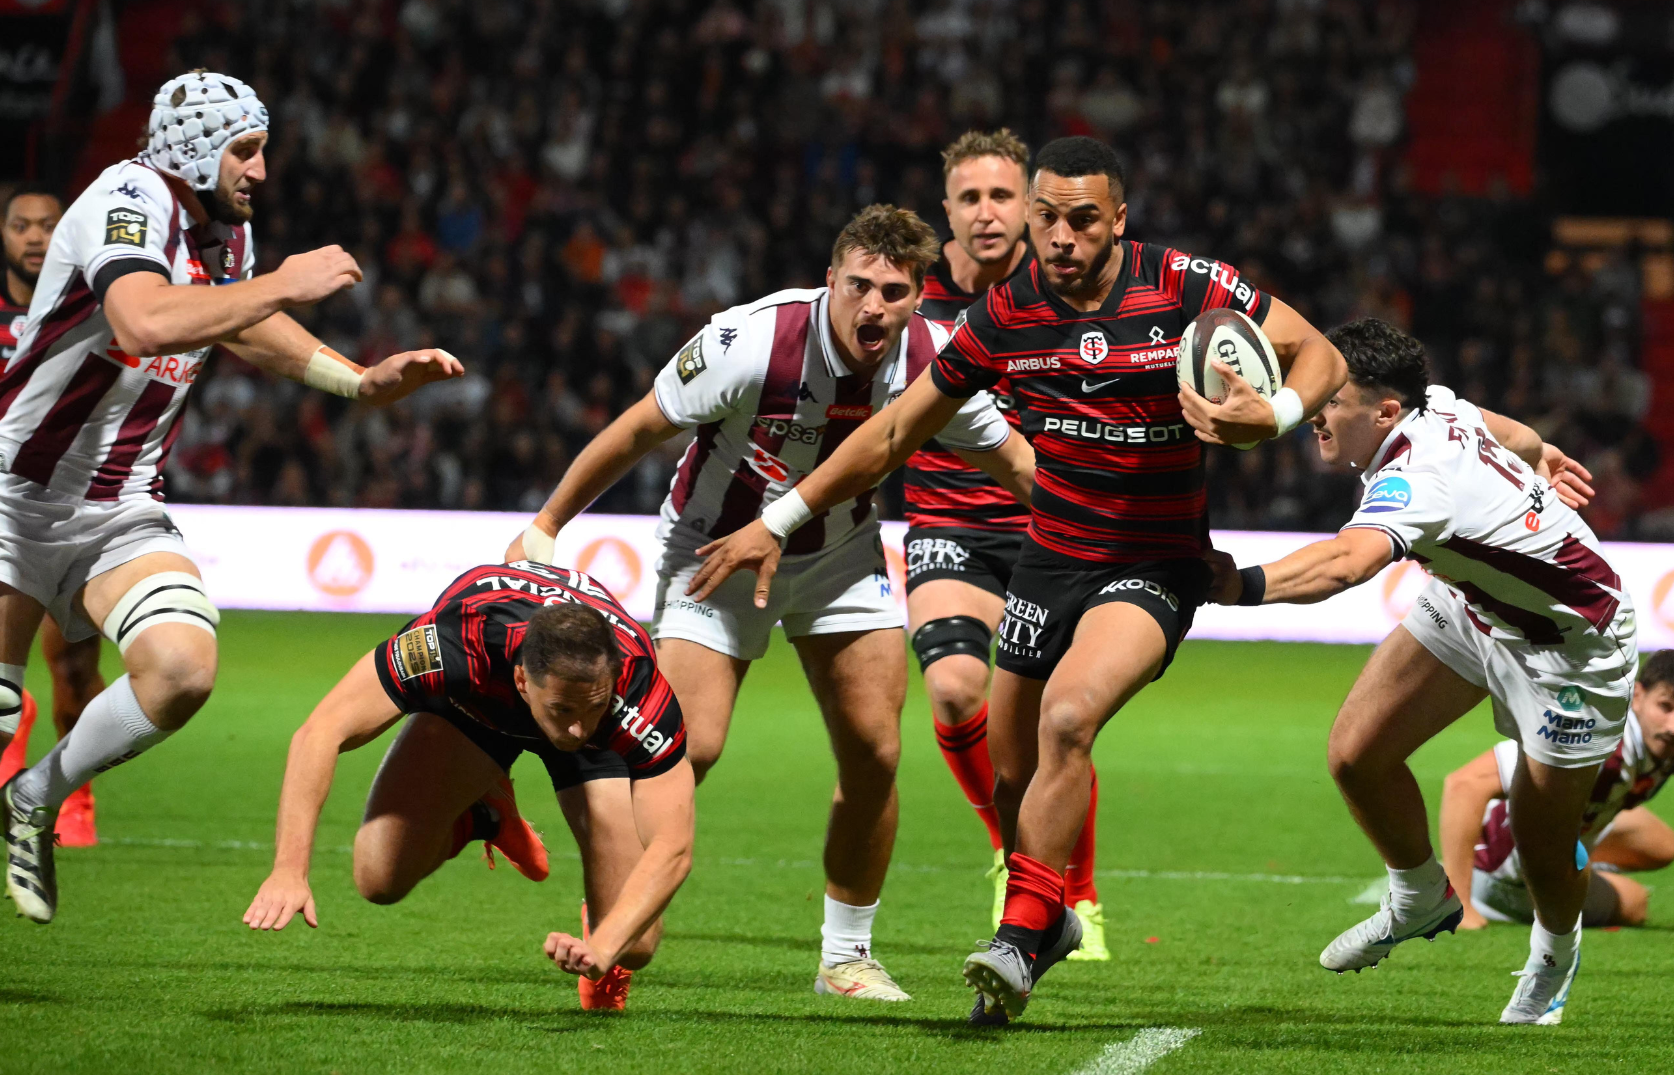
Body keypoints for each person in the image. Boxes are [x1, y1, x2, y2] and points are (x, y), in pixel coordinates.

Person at [687, 136, 1346, 1023]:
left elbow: (1320, 354)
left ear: (1118, 219)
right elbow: (890, 436)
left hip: (1155, 559)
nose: (1061, 236)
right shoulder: (1004, 315)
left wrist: (1276, 413)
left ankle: (1024, 928)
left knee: (1070, 719)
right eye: (1048, 219)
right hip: (1051, 554)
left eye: (1082, 219)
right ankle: (1050, 919)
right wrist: (776, 520)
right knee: (1009, 767)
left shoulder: (1185, 284)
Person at [506, 205, 1029, 1001]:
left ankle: (845, 958)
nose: (873, 307)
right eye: (858, 285)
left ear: (920, 296)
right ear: (830, 281)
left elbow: (1013, 461)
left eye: (893, 291)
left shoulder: (935, 358)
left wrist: (1100, 529)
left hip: (839, 558)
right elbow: (640, 429)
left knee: (876, 752)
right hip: (714, 553)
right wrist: (545, 524)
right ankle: (616, 911)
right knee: (691, 748)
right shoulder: (751, 341)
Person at [0, 70, 462, 924]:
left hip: (118, 504)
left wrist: (358, 382)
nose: (259, 170)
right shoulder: (127, 198)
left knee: (182, 670)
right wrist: (287, 280)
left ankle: (35, 796)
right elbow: (144, 320)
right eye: (243, 151)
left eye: (260, 150)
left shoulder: (221, 233)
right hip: (10, 492)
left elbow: (242, 323)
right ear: (192, 149)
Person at [1212, 318, 1616, 1026]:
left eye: (1330, 401)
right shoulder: (1440, 405)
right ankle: (1420, 896)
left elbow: (1346, 564)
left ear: (1386, 411)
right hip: (1472, 605)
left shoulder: (1418, 476)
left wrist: (1232, 585)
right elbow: (1512, 432)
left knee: (1540, 840)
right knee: (1355, 754)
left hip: (1571, 647)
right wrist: (1539, 453)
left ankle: (1555, 950)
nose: (1313, 413)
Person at [243, 563, 693, 1011]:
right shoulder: (454, 643)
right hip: (480, 708)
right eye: (562, 709)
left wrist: (603, 946)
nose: (576, 729)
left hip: (604, 740)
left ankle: (590, 904)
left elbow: (673, 845)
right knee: (379, 880)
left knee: (635, 945)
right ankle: (484, 813)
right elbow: (320, 733)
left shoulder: (637, 692)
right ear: (522, 679)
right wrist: (289, 870)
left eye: (590, 706)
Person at [904, 129, 1106, 960]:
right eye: (969, 198)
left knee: (1059, 725)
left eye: (1001, 197)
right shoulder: (905, 298)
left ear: (1030, 206)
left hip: (1045, 531)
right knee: (955, 690)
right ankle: (1013, 852)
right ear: (946, 210)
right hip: (947, 523)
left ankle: (1075, 896)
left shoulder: (1061, 292)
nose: (987, 214)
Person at [1440, 649, 1674, 937]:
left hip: (1548, 833)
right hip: (1502, 871)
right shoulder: (1593, 728)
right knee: (1635, 903)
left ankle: (1571, 859)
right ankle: (1470, 894)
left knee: (1661, 843)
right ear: (1639, 695)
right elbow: (1465, 784)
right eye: (1666, 707)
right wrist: (1459, 903)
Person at [0, 184, 105, 847]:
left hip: (71, 506)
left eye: (48, 225)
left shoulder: (101, 309)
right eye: (20, 226)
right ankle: (15, 709)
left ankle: (74, 790)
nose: (35, 237)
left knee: (72, 668)